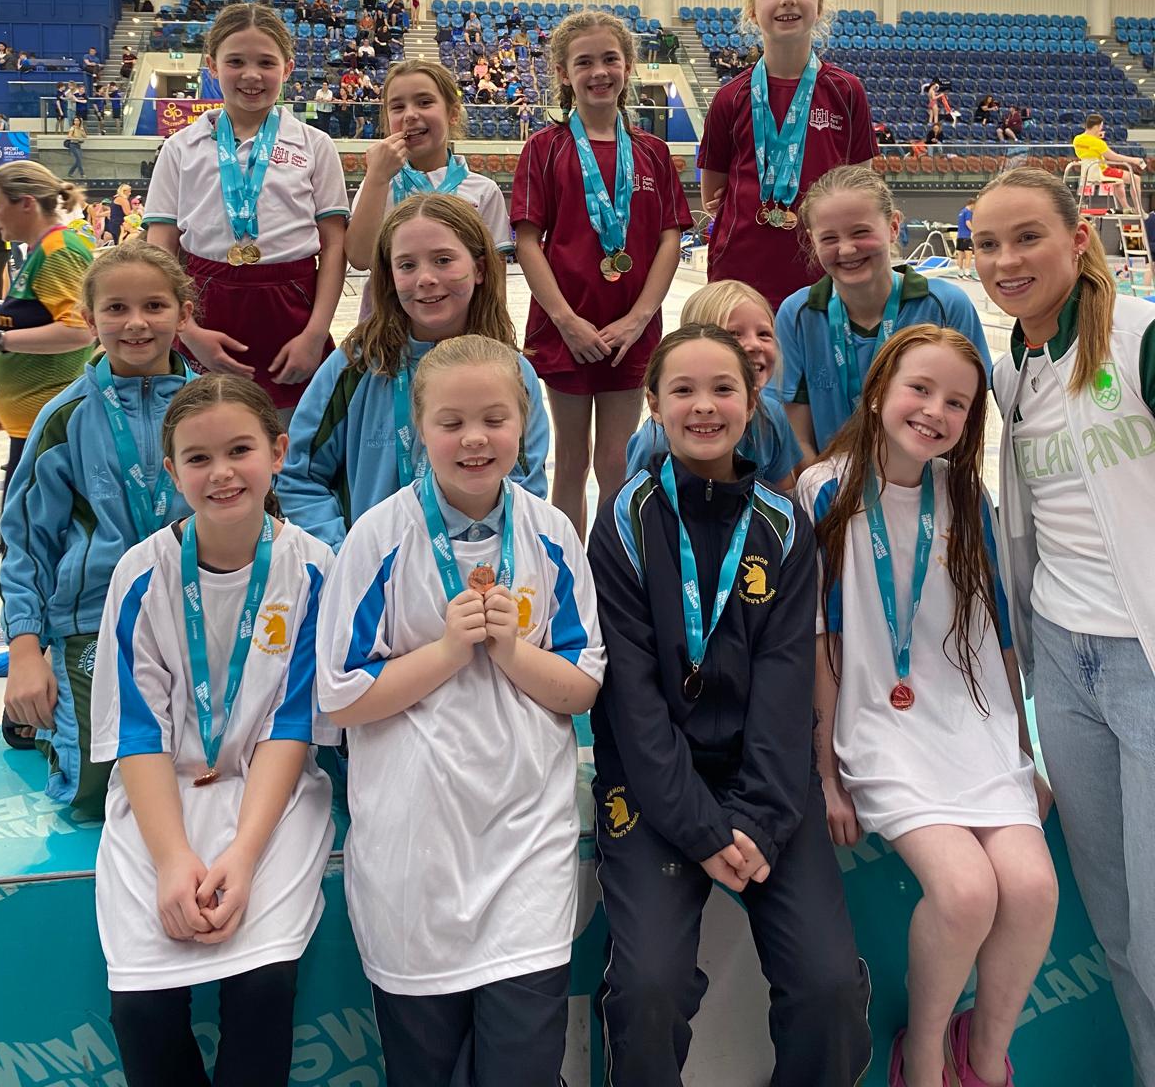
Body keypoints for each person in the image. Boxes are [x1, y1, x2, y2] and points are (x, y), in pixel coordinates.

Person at [316, 334, 604, 1087]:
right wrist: (447, 651)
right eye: (451, 422)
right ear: (418, 430)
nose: (474, 438)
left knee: (522, 1070)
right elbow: (343, 696)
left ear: (524, 425)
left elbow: (582, 687)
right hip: (417, 855)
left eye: (494, 418)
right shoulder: (376, 538)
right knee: (428, 1074)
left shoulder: (552, 533)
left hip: (524, 848)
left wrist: (512, 654)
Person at [588, 324, 871, 1086]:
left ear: (754, 405)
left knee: (830, 988)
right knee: (648, 988)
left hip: (768, 788)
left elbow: (784, 699)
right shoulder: (621, 520)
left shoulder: (783, 527)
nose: (703, 406)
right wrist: (703, 828)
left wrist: (752, 823)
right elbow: (634, 704)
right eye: (682, 390)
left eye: (724, 390)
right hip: (653, 787)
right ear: (652, 404)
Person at [802, 325, 1056, 1087]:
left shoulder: (965, 493)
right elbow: (819, 641)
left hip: (973, 728)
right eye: (921, 389)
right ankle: (920, 1062)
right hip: (881, 729)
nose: (935, 411)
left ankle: (981, 1061)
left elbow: (1000, 637)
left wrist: (1022, 752)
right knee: (967, 891)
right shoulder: (824, 489)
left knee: (1034, 889)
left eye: (957, 402)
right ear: (879, 388)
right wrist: (826, 774)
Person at [90, 374, 336, 1087]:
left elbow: (291, 726)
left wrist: (244, 854)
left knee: (262, 990)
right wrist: (173, 861)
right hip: (160, 797)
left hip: (272, 799)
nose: (222, 473)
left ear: (278, 451)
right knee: (142, 1009)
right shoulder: (141, 575)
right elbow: (138, 735)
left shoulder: (315, 572)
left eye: (240, 450)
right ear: (171, 471)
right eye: (198, 459)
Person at [973, 165, 1155, 1081]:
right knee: (1120, 932)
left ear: (1078, 235)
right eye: (988, 244)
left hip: (1146, 666)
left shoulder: (1140, 336)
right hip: (1068, 675)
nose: (1007, 260)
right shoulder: (1014, 369)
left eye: (1027, 237)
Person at [0, 241, 194, 803]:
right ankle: (41, 722)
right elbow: (26, 544)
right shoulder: (63, 419)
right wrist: (24, 650)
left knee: (207, 766)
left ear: (184, 313)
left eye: (155, 306)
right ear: (89, 320)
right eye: (116, 309)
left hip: (198, 606)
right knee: (97, 786)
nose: (136, 323)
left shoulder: (207, 407)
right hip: (93, 618)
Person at [281, 194, 549, 550]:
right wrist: (343, 554)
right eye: (406, 265)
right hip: (371, 581)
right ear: (389, 278)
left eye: (443, 260)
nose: (425, 278)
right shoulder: (355, 366)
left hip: (476, 582)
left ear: (480, 269)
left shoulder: (512, 373)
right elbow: (300, 476)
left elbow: (525, 488)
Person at [512, 9, 692, 538]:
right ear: (564, 74)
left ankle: (613, 569)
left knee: (615, 462)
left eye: (610, 59)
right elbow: (527, 241)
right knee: (570, 461)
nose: (599, 72)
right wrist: (566, 320)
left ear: (629, 65)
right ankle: (569, 571)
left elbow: (669, 239)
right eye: (584, 62)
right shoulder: (545, 149)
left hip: (629, 331)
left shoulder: (654, 153)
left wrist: (639, 319)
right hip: (567, 329)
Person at [144, 3, 349, 416]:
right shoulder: (179, 147)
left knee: (291, 442)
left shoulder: (314, 145)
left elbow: (335, 247)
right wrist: (188, 330)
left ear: (288, 68)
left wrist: (315, 333)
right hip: (203, 306)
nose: (251, 75)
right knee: (207, 427)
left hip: (291, 307)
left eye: (266, 63)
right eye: (235, 61)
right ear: (212, 66)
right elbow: (161, 249)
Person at [698, 0, 875, 308]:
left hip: (825, 277)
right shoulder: (730, 97)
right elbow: (713, 193)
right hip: (740, 276)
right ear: (752, 9)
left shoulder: (846, 91)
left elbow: (864, 191)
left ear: (820, 5)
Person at [777, 166, 990, 462]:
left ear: (893, 226)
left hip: (929, 494)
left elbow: (970, 417)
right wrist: (822, 494)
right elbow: (795, 430)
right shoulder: (797, 315)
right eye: (829, 238)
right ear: (812, 240)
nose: (848, 249)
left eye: (860, 232)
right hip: (830, 495)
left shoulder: (946, 306)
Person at [0, 162, 95, 496]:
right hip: (32, 418)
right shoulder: (41, 249)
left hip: (48, 422)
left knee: (27, 535)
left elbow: (79, 331)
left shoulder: (59, 251)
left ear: (26, 203)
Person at [345, 61, 512, 301]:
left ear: (453, 114)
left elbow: (495, 287)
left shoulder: (484, 191)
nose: (410, 115)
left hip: (462, 334)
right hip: (388, 332)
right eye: (398, 107)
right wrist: (376, 179)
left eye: (424, 102)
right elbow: (360, 259)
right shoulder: (379, 185)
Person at [626, 279, 800, 493]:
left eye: (764, 334)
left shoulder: (772, 418)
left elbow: (785, 498)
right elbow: (632, 510)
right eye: (733, 334)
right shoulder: (656, 443)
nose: (755, 345)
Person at [1073, 112, 1145, 214]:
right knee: (1136, 179)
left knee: (1118, 183)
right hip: (1102, 171)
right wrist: (1134, 160)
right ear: (1098, 126)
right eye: (1101, 126)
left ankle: (1126, 207)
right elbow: (1114, 157)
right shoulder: (1098, 143)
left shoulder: (1077, 139)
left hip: (1087, 174)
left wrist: (1096, 137)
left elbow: (1087, 150)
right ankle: (1139, 209)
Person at [955, 199, 974, 278]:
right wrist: (974, 230)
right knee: (969, 255)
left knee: (960, 255)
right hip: (966, 237)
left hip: (959, 236)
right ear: (972, 204)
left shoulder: (961, 212)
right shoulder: (968, 212)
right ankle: (967, 273)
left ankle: (960, 273)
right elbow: (967, 222)